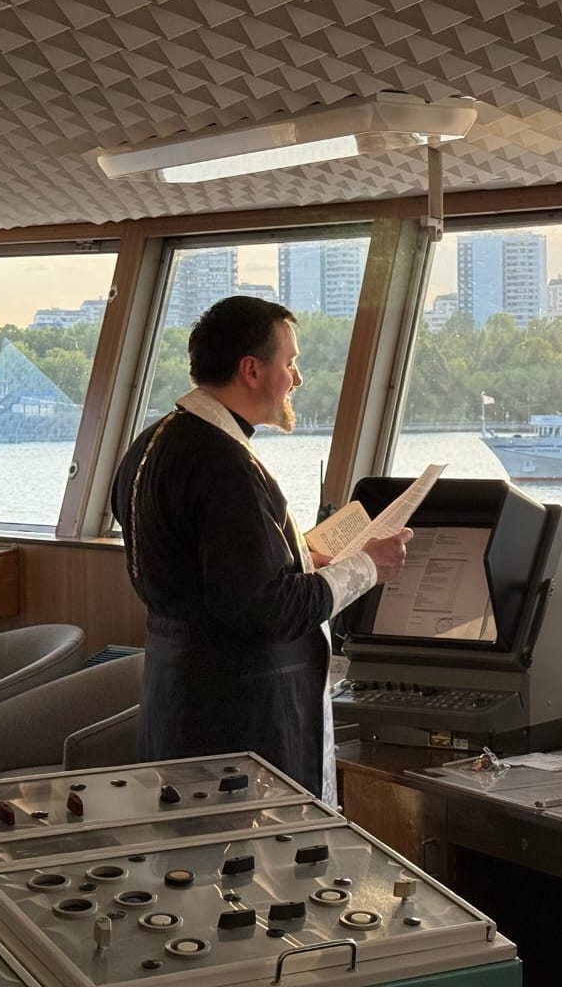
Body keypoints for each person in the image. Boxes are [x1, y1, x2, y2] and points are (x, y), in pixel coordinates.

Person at [112, 295, 408, 802]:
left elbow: (197, 565)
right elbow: (264, 608)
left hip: (177, 702)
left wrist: (297, 557)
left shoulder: (152, 443)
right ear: (251, 370)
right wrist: (367, 566)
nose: (297, 379)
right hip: (236, 723)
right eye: (289, 363)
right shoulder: (225, 465)